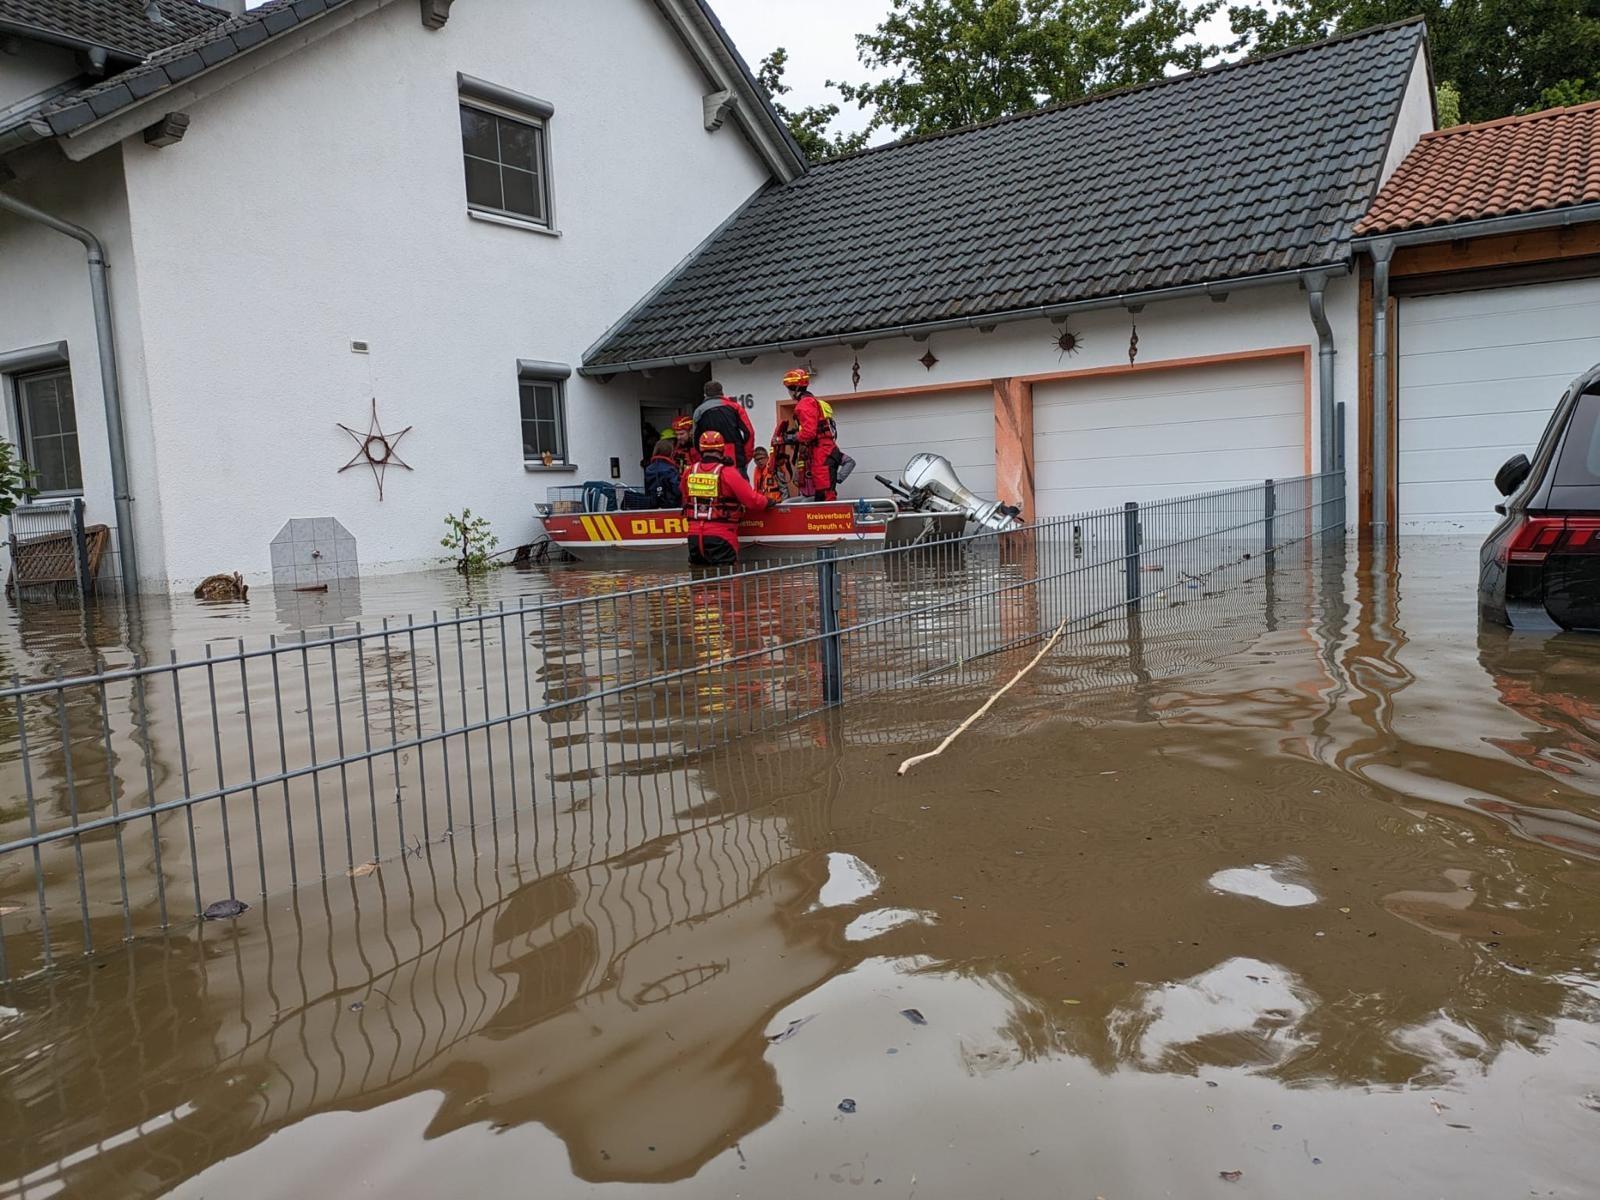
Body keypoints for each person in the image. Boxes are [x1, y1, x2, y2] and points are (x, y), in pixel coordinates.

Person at [682, 429, 770, 566]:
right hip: (721, 536)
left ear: (701, 449)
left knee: (698, 582)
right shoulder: (727, 473)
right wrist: (768, 502)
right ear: (722, 449)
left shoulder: (689, 471)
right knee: (725, 582)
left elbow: (684, 494)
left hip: (694, 537)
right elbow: (751, 500)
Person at [784, 368, 841, 501]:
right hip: (823, 451)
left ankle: (828, 520)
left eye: (789, 388)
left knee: (825, 493)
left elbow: (809, 433)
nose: (789, 392)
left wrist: (791, 438)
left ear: (795, 388)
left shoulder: (804, 404)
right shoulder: (811, 401)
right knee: (823, 492)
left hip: (823, 452)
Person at [693, 380, 757, 472]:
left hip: (710, 462)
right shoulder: (735, 407)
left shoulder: (698, 411)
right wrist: (745, 457)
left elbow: (695, 440)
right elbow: (749, 432)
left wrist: (702, 459)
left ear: (705, 395)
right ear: (722, 393)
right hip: (735, 460)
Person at [642, 437, 682, 509]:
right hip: (670, 507)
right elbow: (677, 490)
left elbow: (647, 490)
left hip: (653, 506)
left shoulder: (649, 469)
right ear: (670, 452)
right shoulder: (670, 469)